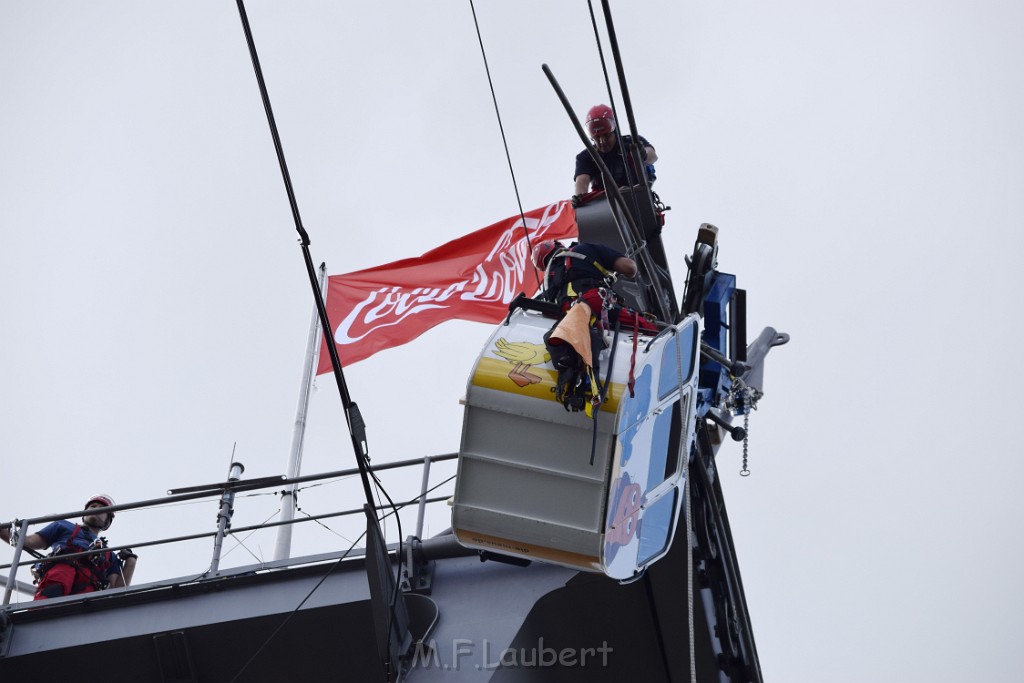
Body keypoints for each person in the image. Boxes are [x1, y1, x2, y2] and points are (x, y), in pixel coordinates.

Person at [1, 494, 137, 600]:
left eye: (101, 508)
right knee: (48, 601)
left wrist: (131, 560)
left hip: (89, 587)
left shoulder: (108, 554)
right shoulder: (63, 526)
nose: (96, 509)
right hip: (60, 572)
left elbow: (117, 588)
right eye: (93, 506)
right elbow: (27, 541)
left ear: (107, 520)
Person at [531, 240, 655, 333]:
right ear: (558, 245)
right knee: (649, 329)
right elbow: (630, 268)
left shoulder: (547, 283)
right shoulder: (585, 248)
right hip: (594, 301)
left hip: (568, 318)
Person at [573, 104, 657, 198]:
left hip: (637, 196)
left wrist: (643, 154)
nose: (602, 142)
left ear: (614, 131)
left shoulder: (631, 142)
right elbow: (581, 182)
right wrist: (579, 197)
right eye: (597, 138)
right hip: (606, 205)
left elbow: (652, 155)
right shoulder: (586, 157)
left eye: (606, 136)